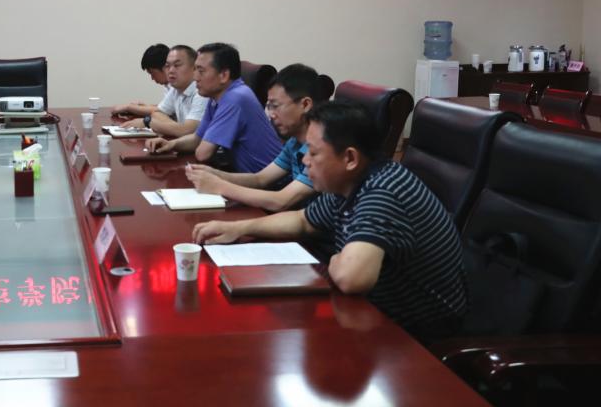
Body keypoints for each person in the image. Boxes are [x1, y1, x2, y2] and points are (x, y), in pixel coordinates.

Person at [192, 101, 467, 339]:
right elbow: (302, 220)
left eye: (313, 152)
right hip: (371, 312)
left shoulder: (382, 192)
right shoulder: (350, 182)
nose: (305, 161)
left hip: (416, 333)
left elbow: (351, 278)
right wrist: (238, 228)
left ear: (350, 158)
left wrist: (336, 258)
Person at [185, 63, 323, 211]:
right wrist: (214, 174)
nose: (271, 115)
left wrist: (218, 185)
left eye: (276, 106)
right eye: (269, 106)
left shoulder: (321, 149)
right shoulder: (294, 142)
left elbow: (282, 201)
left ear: (305, 104)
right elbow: (260, 179)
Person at [147, 42, 281, 172]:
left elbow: (202, 154)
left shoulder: (235, 98)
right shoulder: (215, 98)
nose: (195, 77)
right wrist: (171, 144)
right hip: (247, 175)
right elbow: (196, 139)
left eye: (201, 71)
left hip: (272, 182)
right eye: (195, 69)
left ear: (224, 75)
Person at [119, 45, 208, 137]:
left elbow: (187, 131)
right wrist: (177, 129)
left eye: (177, 65)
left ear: (194, 67)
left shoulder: (202, 93)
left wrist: (149, 123)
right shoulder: (175, 89)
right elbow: (157, 113)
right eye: (167, 66)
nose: (171, 70)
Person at [112, 43, 170, 117]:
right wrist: (144, 107)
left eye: (152, 73)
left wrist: (129, 107)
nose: (152, 78)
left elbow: (164, 111)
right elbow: (165, 107)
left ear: (165, 67)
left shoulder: (177, 86)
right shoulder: (168, 86)